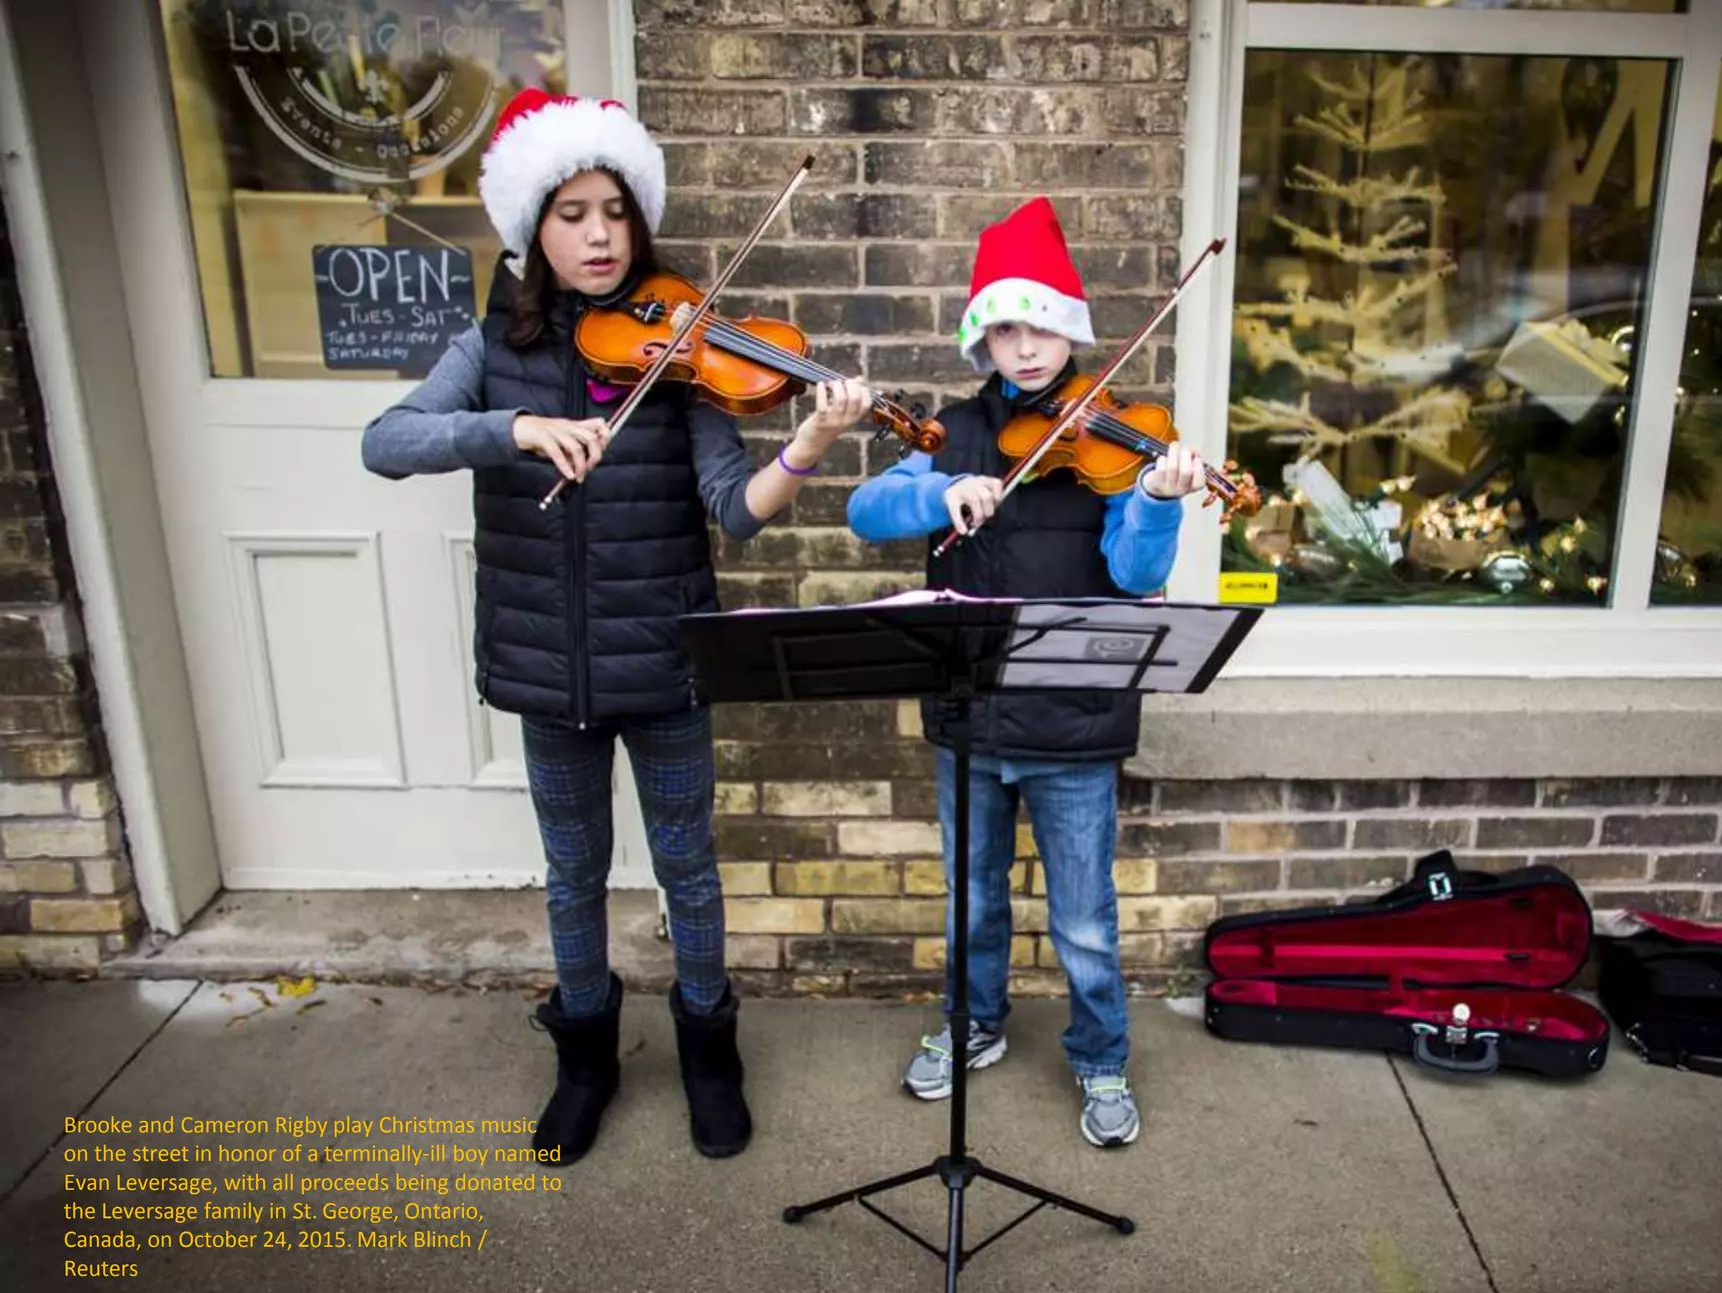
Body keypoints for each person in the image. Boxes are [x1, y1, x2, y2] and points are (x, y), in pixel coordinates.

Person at [361, 88, 871, 1166]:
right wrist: (514, 427)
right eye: (571, 213)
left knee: (687, 865)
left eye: (614, 212)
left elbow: (735, 509)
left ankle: (708, 1054)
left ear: (638, 221)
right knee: (572, 873)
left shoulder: (678, 350)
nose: (597, 236)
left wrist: (811, 444)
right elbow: (386, 440)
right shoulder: (490, 349)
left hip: (667, 658)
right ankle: (584, 1060)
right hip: (545, 666)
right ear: (531, 230)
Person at [845, 196, 1208, 1148]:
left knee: (1084, 915)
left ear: (1069, 328)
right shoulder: (954, 433)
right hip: (969, 715)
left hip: (1074, 723)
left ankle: (1101, 1058)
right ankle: (975, 1023)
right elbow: (866, 508)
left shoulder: (1120, 440)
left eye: (1041, 322)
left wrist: (1161, 501)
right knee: (973, 898)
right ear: (984, 342)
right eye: (1005, 328)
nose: (1026, 347)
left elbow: (1135, 573)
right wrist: (939, 489)